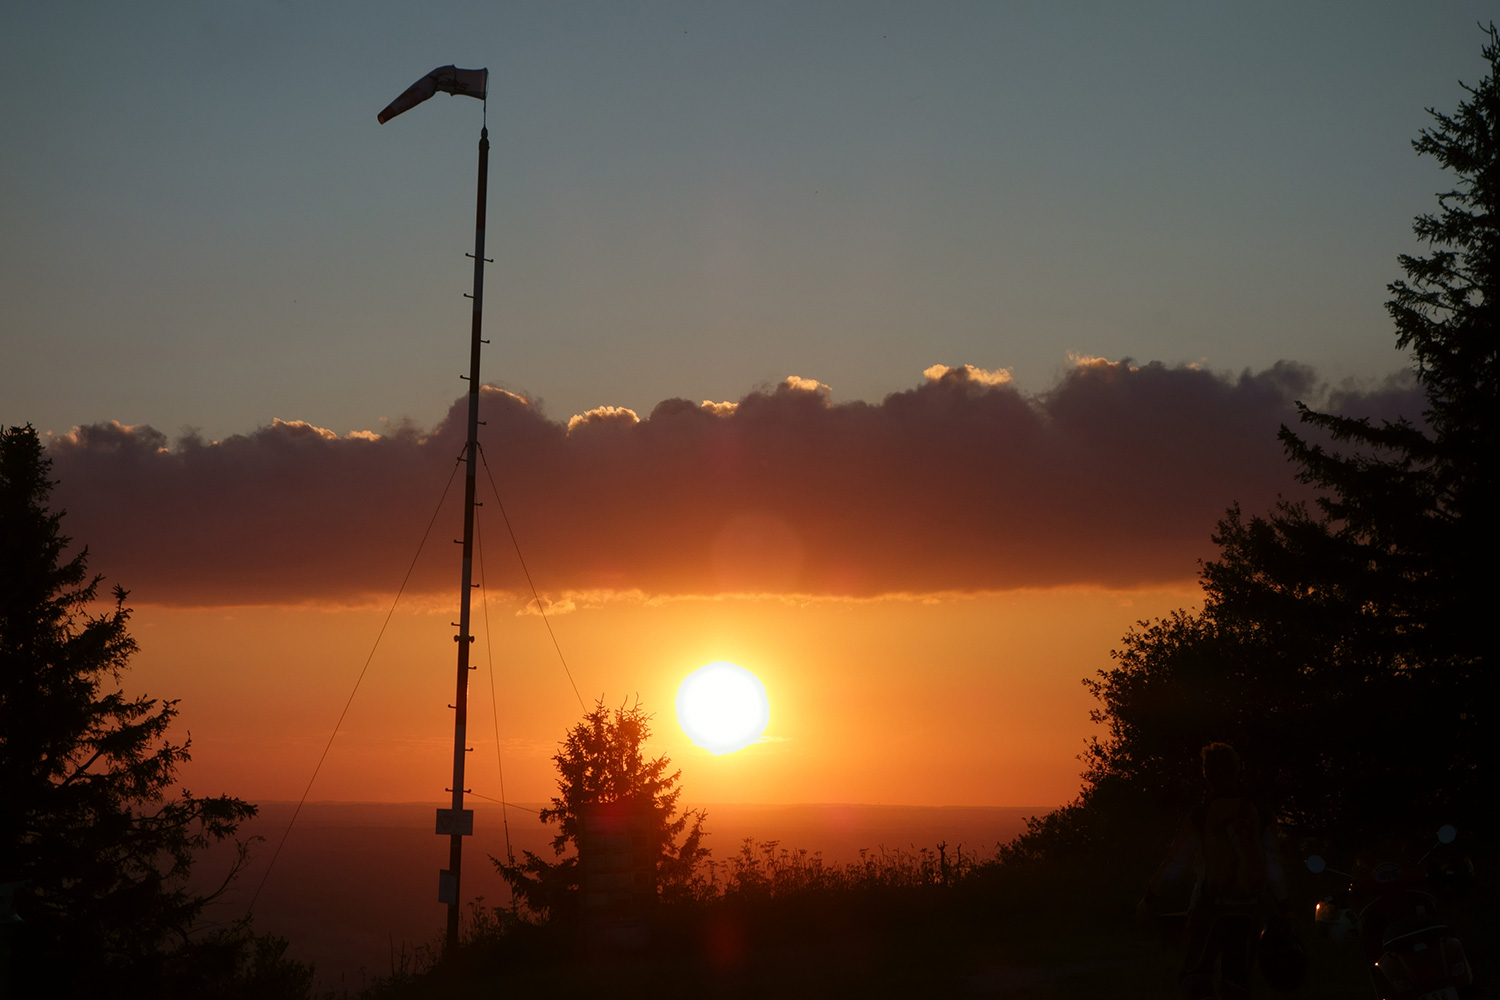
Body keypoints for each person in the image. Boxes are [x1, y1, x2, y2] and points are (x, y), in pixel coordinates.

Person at [1136, 743, 1289, 1000]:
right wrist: (1285, 907)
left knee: (1194, 976)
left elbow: (1176, 864)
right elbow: (1273, 864)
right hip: (1250, 908)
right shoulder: (1261, 815)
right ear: (1237, 771)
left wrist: (1149, 898)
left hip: (1209, 907)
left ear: (1206, 774)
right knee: (1237, 982)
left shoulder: (1200, 816)